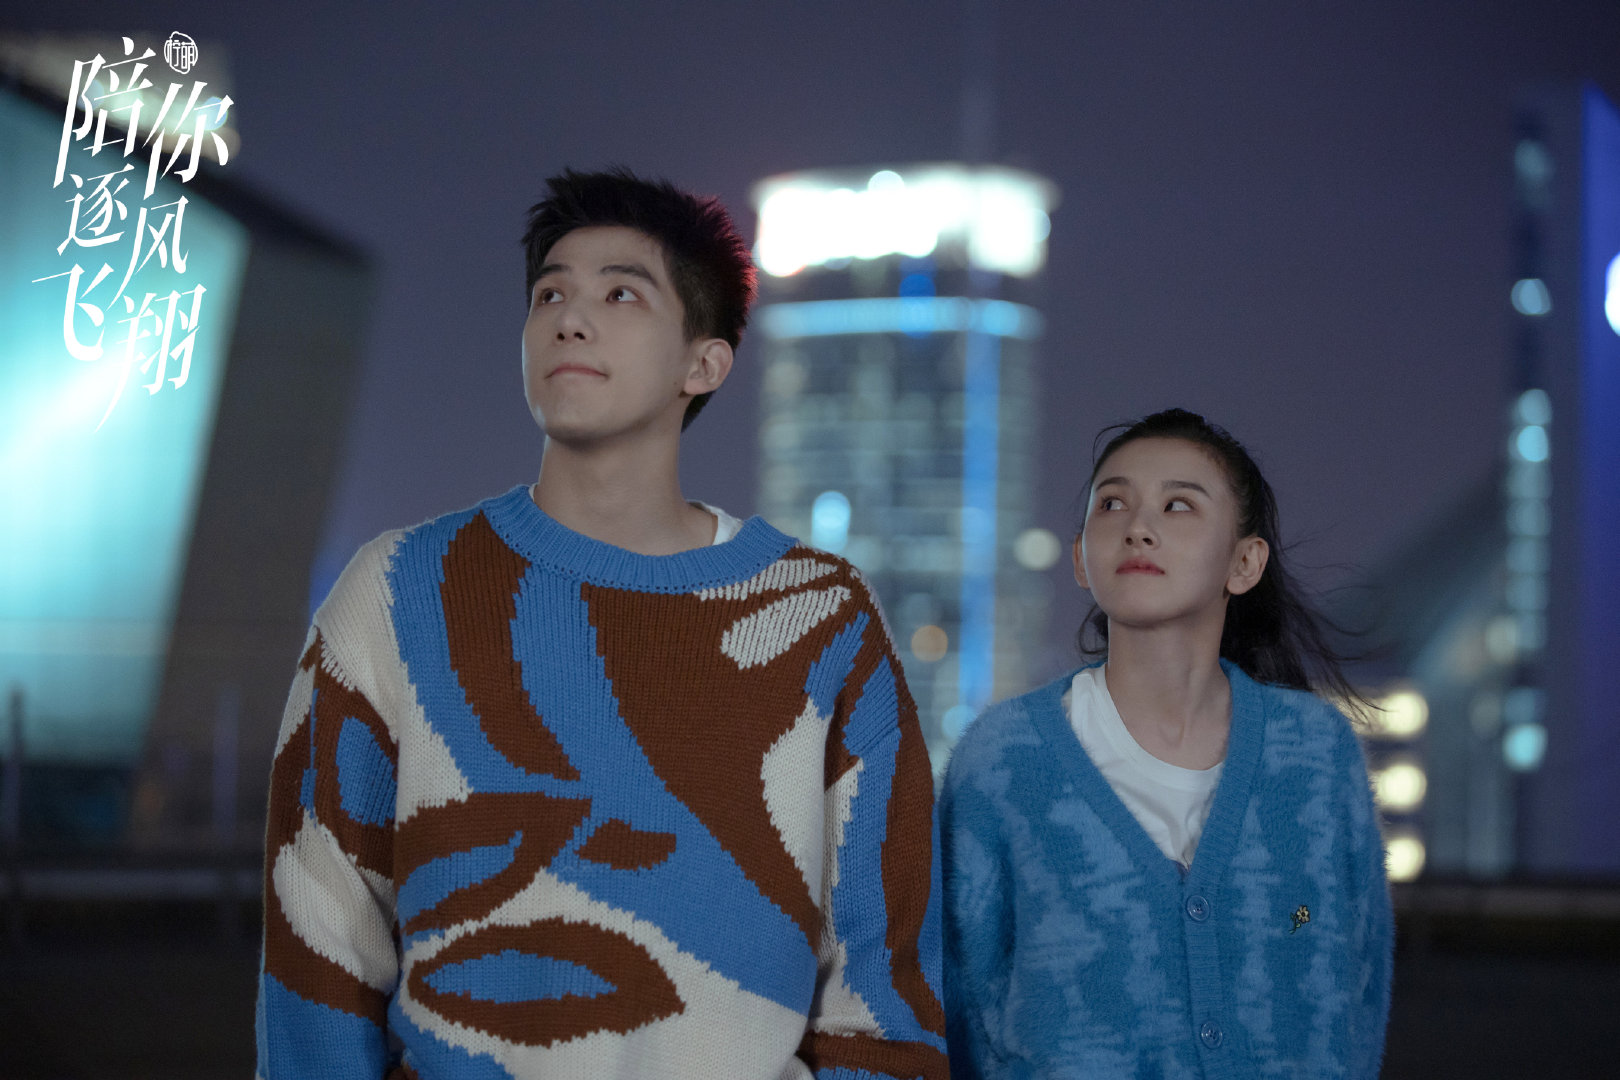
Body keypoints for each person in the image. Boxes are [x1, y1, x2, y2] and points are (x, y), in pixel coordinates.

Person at [256, 168, 946, 1080]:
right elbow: (317, 938)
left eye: (621, 294)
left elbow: (884, 977)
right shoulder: (397, 589)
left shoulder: (822, 618)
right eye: (551, 294)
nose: (570, 318)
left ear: (704, 364)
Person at [941, 407, 1392, 1079]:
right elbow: (960, 1000)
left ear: (1245, 562)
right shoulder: (1003, 761)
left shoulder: (1316, 755)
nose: (1138, 527)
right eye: (1112, 504)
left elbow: (1346, 970)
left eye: (1178, 505)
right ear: (1080, 559)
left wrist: (1289, 923)